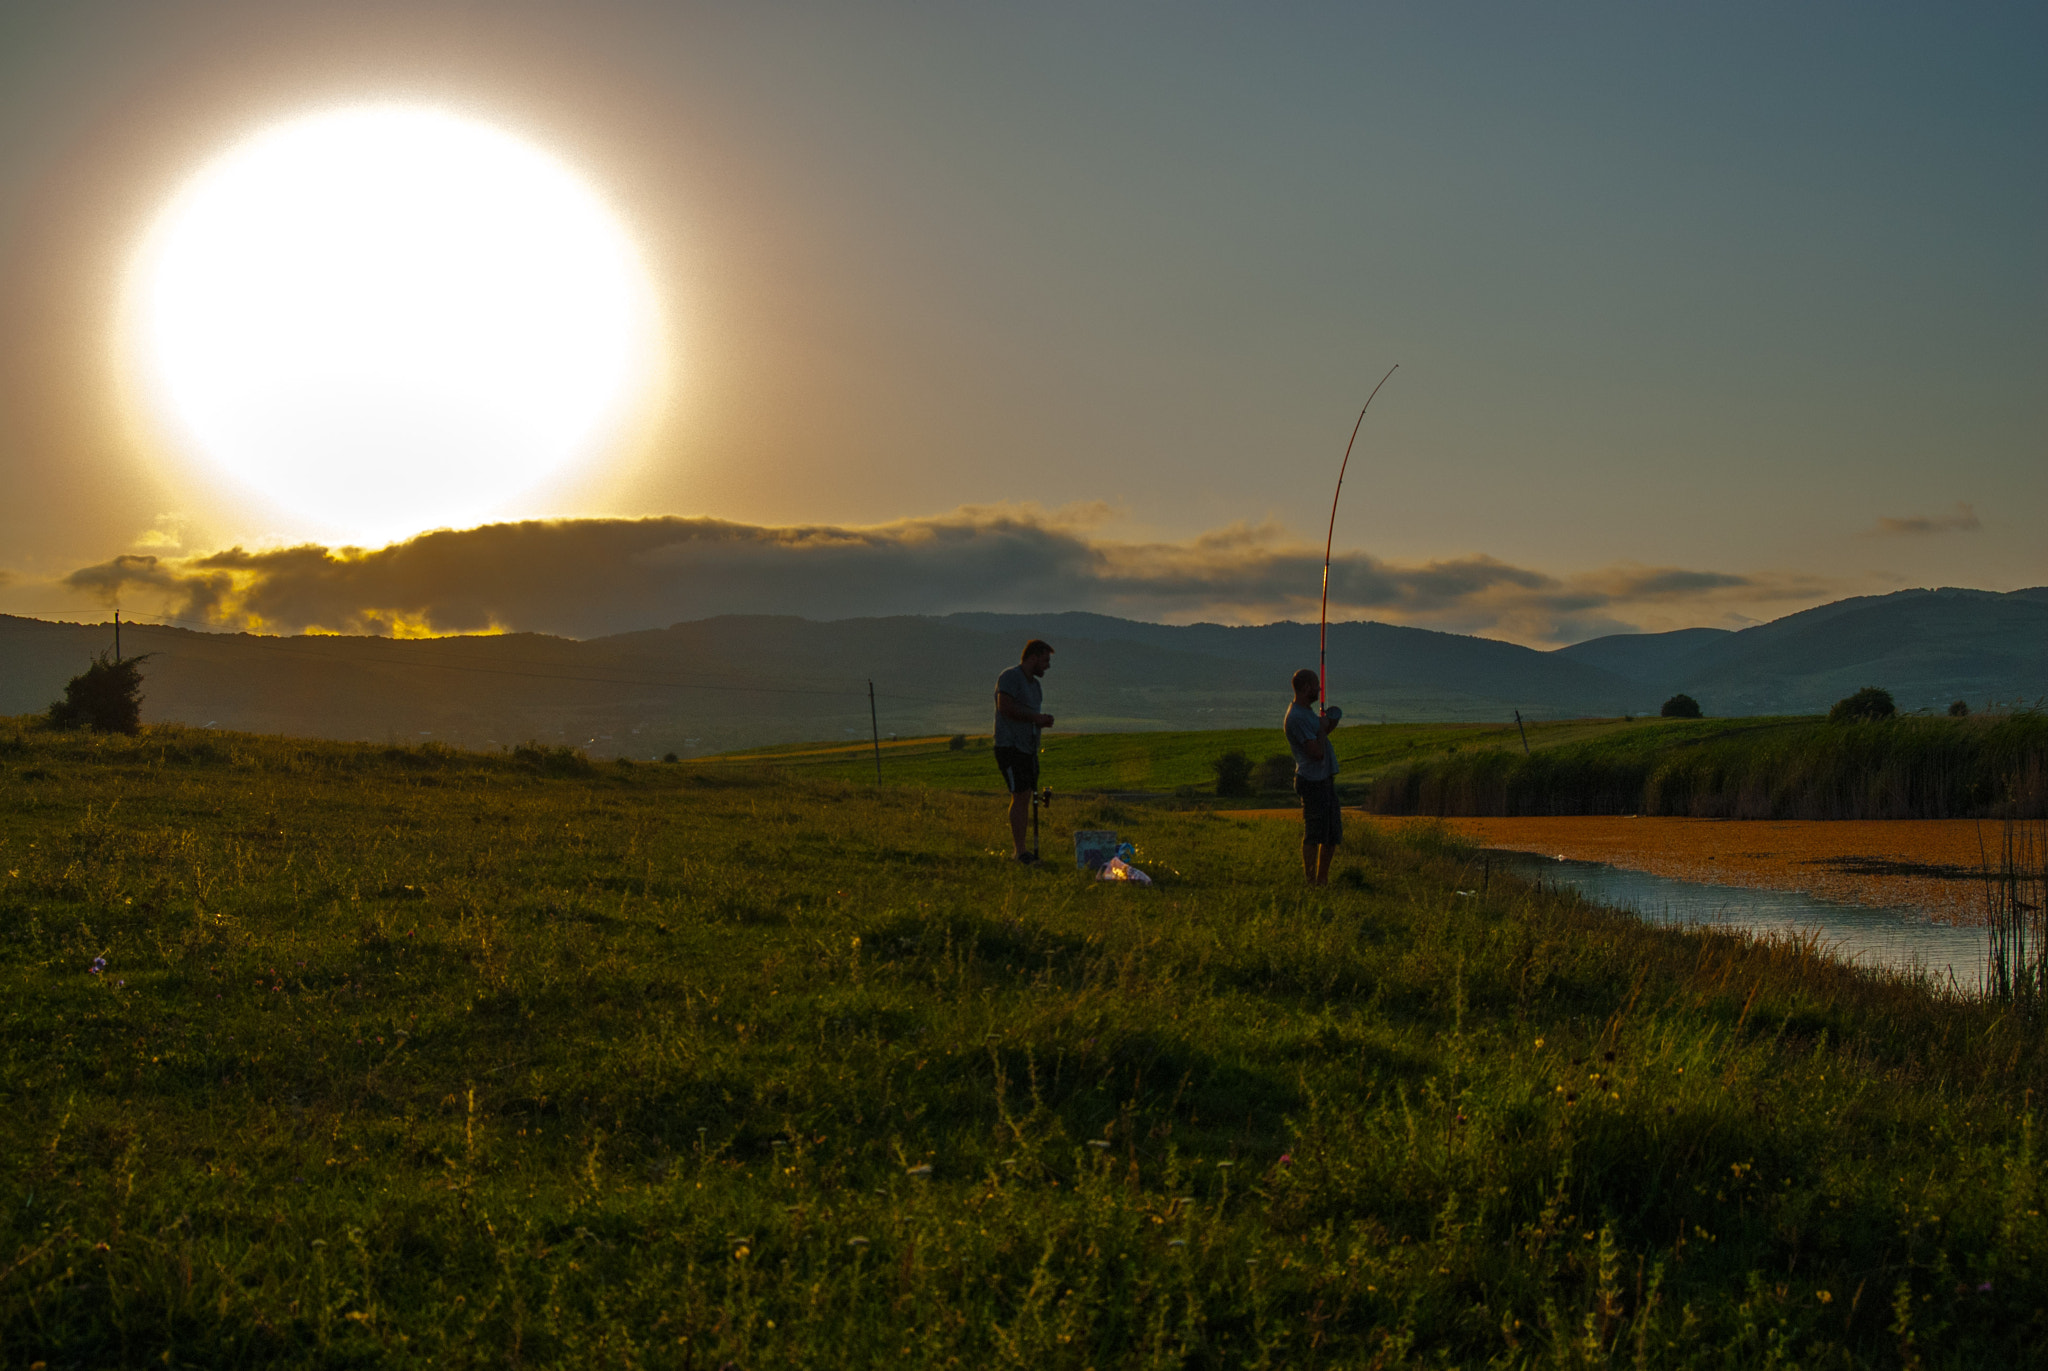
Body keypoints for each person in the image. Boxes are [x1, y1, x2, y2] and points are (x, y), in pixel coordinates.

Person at [993, 639, 1055, 861]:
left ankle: (1022, 850)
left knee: (1026, 795)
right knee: (1019, 795)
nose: (1047, 666)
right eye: (1045, 660)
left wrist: (1041, 721)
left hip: (1028, 749)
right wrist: (1035, 718)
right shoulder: (1010, 677)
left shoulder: (1035, 686)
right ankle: (1019, 851)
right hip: (1010, 746)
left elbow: (1028, 716)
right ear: (1033, 657)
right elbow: (1005, 707)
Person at [1284, 667, 1342, 885]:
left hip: (1324, 780)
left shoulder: (1306, 713)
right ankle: (1311, 882)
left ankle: (1322, 880)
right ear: (1306, 687)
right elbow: (1315, 752)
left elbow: (1320, 735)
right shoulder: (1297, 717)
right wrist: (1321, 728)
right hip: (1312, 781)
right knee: (1314, 833)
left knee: (1330, 835)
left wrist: (1326, 725)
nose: (1319, 688)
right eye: (1316, 685)